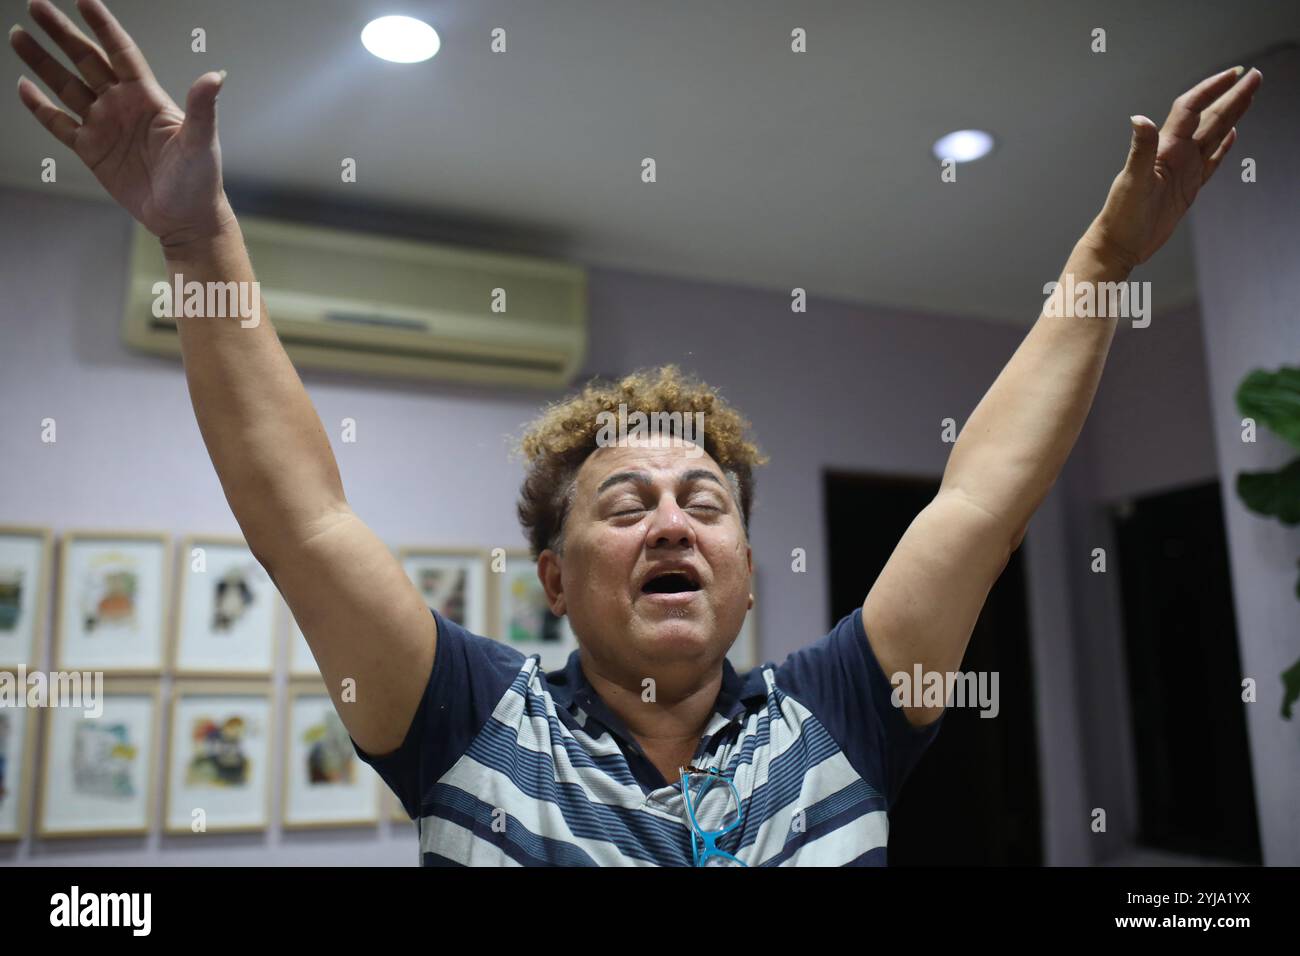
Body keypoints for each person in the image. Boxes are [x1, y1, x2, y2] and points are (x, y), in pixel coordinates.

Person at [11, 0, 1260, 866]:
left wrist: (1102, 259)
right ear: (552, 577)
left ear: (743, 560)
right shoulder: (464, 718)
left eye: (704, 502)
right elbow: (303, 518)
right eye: (626, 503)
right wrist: (194, 241)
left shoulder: (846, 715)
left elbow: (978, 504)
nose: (672, 516)